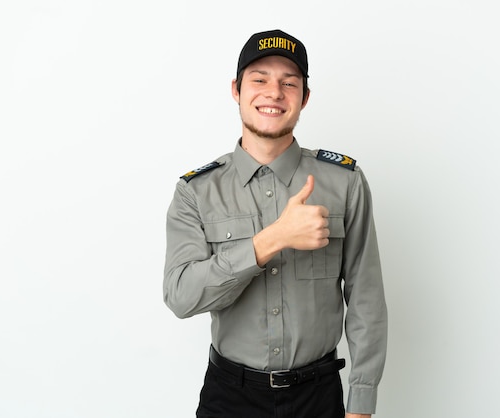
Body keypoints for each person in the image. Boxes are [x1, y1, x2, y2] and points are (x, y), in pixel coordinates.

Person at [163, 29, 388, 418]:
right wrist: (271, 239)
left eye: (289, 83)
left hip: (318, 398)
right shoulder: (195, 192)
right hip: (230, 398)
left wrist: (361, 402)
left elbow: (366, 299)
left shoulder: (344, 182)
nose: (274, 92)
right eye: (260, 79)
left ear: (304, 97)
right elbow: (181, 297)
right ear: (236, 89)